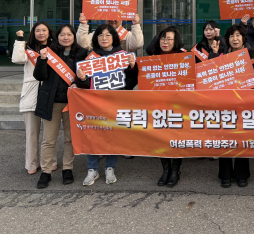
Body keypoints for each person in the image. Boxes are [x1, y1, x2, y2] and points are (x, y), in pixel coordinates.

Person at [75, 24, 138, 186]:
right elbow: (84, 85)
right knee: (92, 135)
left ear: (114, 38)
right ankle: (92, 169)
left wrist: (132, 67)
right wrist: (82, 79)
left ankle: (110, 168)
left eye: (108, 35)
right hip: (93, 104)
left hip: (116, 103)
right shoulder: (90, 58)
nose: (104, 38)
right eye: (101, 35)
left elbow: (131, 82)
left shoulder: (123, 56)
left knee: (113, 136)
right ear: (96, 38)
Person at [33, 25, 87, 189]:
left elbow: (87, 80)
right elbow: (39, 76)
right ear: (57, 37)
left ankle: (67, 169)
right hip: (52, 102)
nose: (66, 37)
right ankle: (46, 172)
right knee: (48, 139)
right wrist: (42, 60)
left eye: (69, 34)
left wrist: (81, 81)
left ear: (74, 36)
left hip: (73, 103)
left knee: (70, 139)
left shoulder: (82, 54)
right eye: (62, 35)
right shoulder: (49, 52)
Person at [208, 24, 254, 188]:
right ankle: (225, 175)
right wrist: (214, 54)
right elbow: (210, 77)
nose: (235, 38)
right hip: (224, 105)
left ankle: (241, 174)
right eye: (232, 36)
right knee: (225, 139)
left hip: (244, 104)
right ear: (228, 39)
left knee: (241, 139)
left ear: (244, 38)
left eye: (238, 35)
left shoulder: (252, 55)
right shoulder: (222, 55)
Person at [12, 21, 57, 175]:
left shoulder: (55, 48)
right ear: (33, 33)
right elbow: (17, 59)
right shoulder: (28, 48)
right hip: (31, 94)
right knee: (31, 133)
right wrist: (20, 40)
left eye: (44, 30)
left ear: (49, 32)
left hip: (49, 93)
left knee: (49, 134)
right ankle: (31, 163)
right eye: (38, 30)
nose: (41, 33)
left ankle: (50, 161)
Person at [148, 26, 187, 188]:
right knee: (161, 139)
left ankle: (175, 170)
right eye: (163, 38)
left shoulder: (184, 56)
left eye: (169, 39)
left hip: (178, 106)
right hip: (158, 106)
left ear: (175, 41)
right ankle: (166, 169)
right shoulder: (153, 58)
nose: (165, 42)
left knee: (177, 138)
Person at [77, 13, 143, 53]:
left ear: (122, 19)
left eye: (116, 17)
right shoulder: (98, 33)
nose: (112, 20)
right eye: (109, 17)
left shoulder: (127, 35)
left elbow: (137, 45)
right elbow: (83, 44)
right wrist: (83, 25)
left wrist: (136, 25)